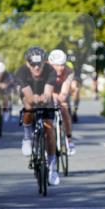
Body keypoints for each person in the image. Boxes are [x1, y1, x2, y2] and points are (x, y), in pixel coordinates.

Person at [16, 47, 60, 186]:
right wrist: (34, 98)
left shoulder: (50, 71)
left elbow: (47, 95)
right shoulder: (21, 72)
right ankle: (27, 137)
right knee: (28, 108)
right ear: (27, 63)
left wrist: (43, 98)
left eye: (39, 64)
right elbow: (29, 98)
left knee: (49, 129)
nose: (36, 67)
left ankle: (53, 168)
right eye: (33, 64)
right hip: (30, 97)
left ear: (44, 62)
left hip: (44, 100)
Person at [48, 49, 77, 155]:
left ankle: (69, 140)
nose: (61, 68)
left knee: (64, 109)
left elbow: (65, 91)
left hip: (61, 90)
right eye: (57, 65)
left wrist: (61, 97)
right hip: (48, 89)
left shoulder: (69, 71)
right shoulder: (45, 69)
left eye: (62, 65)